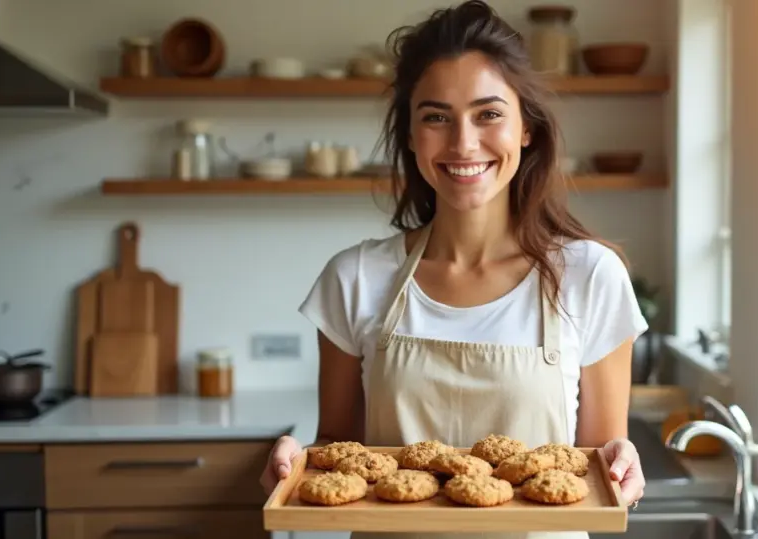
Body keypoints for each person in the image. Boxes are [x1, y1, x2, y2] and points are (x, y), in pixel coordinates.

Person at [260, 1, 648, 536]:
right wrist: (295, 458)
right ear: (411, 136)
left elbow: (595, 465)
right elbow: (338, 452)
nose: (464, 143)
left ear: (526, 129)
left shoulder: (590, 276)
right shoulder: (354, 279)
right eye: (436, 117)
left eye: (489, 114)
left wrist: (623, 459)